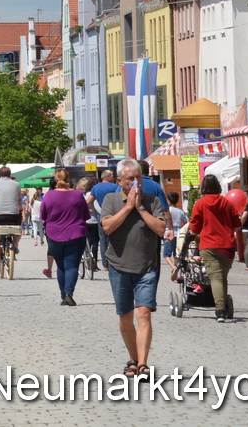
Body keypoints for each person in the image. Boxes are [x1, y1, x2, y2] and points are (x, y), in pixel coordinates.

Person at [101, 157, 167, 377]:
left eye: (138, 177)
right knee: (125, 316)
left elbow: (160, 229)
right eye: (131, 179)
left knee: (144, 313)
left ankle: (143, 364)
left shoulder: (152, 200)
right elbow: (108, 227)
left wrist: (139, 208)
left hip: (147, 267)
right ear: (120, 180)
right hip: (119, 266)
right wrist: (128, 207)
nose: (136, 183)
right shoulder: (111, 199)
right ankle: (133, 358)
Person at [188, 174, 241, 322]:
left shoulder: (200, 204)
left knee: (215, 278)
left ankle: (220, 310)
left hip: (209, 245)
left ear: (203, 187)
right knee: (222, 277)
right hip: (227, 246)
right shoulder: (227, 203)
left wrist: (191, 234)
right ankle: (222, 304)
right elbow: (237, 225)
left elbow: (194, 227)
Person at [39, 168, 89, 305]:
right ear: (69, 179)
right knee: (72, 266)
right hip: (75, 233)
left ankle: (63, 296)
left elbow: (43, 216)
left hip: (54, 234)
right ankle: (69, 293)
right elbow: (86, 215)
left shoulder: (49, 195)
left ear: (55, 180)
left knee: (61, 267)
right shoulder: (78, 195)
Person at [0, 166, 24, 276]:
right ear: (10, 174)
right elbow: (19, 200)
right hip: (13, 215)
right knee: (18, 229)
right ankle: (15, 245)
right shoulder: (16, 184)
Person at [164, 191, 188, 263]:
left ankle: (173, 267)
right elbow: (187, 221)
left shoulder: (167, 211)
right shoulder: (180, 211)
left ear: (168, 200)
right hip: (178, 233)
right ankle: (177, 266)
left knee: (166, 254)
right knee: (176, 253)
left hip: (168, 232)